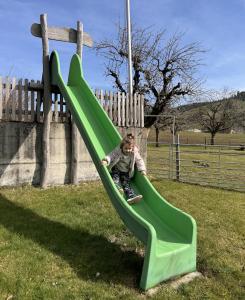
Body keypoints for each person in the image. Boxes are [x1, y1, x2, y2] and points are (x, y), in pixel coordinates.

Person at [102, 133, 146, 204]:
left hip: (125, 172)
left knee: (126, 184)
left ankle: (131, 198)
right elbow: (111, 155)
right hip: (116, 169)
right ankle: (118, 189)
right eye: (126, 148)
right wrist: (106, 160)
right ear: (122, 147)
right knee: (115, 179)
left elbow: (139, 160)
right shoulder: (118, 151)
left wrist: (142, 170)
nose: (128, 150)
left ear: (132, 148)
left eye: (129, 149)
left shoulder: (134, 152)